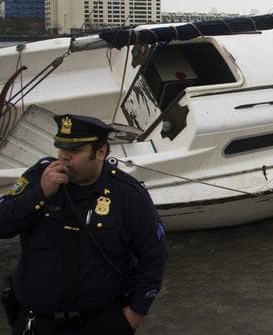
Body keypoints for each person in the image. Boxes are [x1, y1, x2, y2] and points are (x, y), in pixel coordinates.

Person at [0, 114, 167, 334]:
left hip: (97, 322)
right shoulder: (40, 177)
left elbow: (154, 254)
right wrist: (40, 193)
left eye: (75, 152)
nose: (64, 158)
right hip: (37, 323)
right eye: (61, 150)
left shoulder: (127, 194)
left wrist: (137, 311)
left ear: (100, 153)